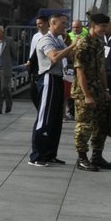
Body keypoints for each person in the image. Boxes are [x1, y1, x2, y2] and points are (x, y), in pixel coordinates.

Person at [28, 13, 76, 166]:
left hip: (58, 78)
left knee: (56, 119)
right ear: (53, 23)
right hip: (48, 78)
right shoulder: (46, 40)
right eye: (62, 23)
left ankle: (49, 154)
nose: (65, 26)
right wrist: (72, 45)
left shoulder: (59, 39)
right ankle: (37, 156)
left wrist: (74, 48)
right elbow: (54, 57)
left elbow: (69, 56)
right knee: (45, 117)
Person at [70, 12, 111, 171]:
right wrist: (87, 95)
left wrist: (106, 89)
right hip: (84, 92)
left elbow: (102, 69)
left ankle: (97, 156)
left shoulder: (98, 43)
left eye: (106, 26)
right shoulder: (83, 44)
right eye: (102, 26)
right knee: (84, 125)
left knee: (100, 125)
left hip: (99, 91)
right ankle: (82, 158)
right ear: (92, 26)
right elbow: (79, 71)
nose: (105, 29)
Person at [25, 15, 49, 108]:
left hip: (48, 67)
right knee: (33, 90)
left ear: (47, 23)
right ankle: (39, 108)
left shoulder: (53, 35)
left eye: (40, 23)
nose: (38, 26)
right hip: (36, 67)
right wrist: (29, 62)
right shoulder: (36, 36)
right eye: (37, 24)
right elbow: (32, 51)